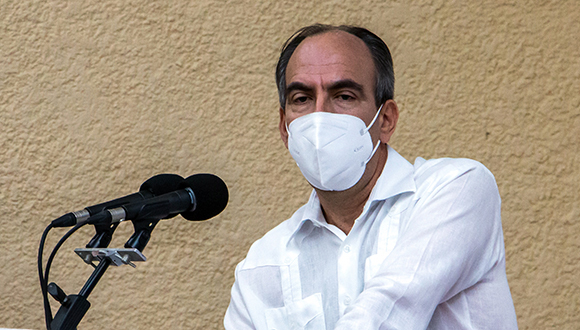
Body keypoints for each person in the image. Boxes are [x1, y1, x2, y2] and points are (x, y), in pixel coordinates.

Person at [224, 24, 518, 329]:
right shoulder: (261, 266)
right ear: (285, 128)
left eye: (344, 96)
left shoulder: (455, 189)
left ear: (386, 119)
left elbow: (389, 312)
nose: (320, 116)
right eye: (302, 98)